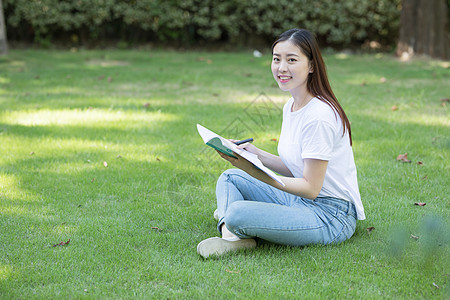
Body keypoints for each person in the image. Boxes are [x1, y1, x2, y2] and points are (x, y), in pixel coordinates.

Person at [197, 28, 365, 259]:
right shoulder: (292, 105)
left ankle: (232, 223)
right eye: (276, 59)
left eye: (291, 60)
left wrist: (256, 171)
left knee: (236, 212)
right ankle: (233, 237)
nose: (281, 67)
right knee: (230, 178)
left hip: (330, 215)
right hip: (300, 201)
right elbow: (297, 166)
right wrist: (254, 154)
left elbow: (310, 187)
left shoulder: (319, 117)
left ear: (312, 65)